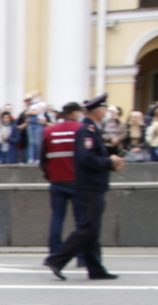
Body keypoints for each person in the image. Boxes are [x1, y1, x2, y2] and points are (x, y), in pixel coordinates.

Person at [44, 94, 124, 280]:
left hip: (92, 185)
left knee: (91, 228)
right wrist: (109, 162)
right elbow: (86, 158)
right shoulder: (86, 130)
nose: (106, 111)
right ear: (97, 110)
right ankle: (57, 259)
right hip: (89, 186)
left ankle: (95, 268)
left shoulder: (91, 129)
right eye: (104, 108)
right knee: (87, 228)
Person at [40, 101, 85, 259]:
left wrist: (49, 175)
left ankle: (55, 252)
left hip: (57, 180)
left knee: (57, 217)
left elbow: (43, 158)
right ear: (74, 113)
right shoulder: (81, 129)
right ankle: (81, 256)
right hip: (78, 180)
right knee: (81, 220)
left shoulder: (49, 131)